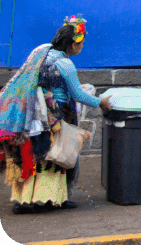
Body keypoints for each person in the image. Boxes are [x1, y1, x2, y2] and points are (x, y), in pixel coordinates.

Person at [0, 16, 112, 213]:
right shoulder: (66, 65)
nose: (82, 47)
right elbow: (78, 94)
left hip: (35, 113)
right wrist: (101, 102)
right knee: (56, 155)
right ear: (73, 44)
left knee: (36, 155)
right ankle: (52, 198)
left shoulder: (41, 51)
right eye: (82, 43)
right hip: (57, 116)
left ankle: (25, 199)